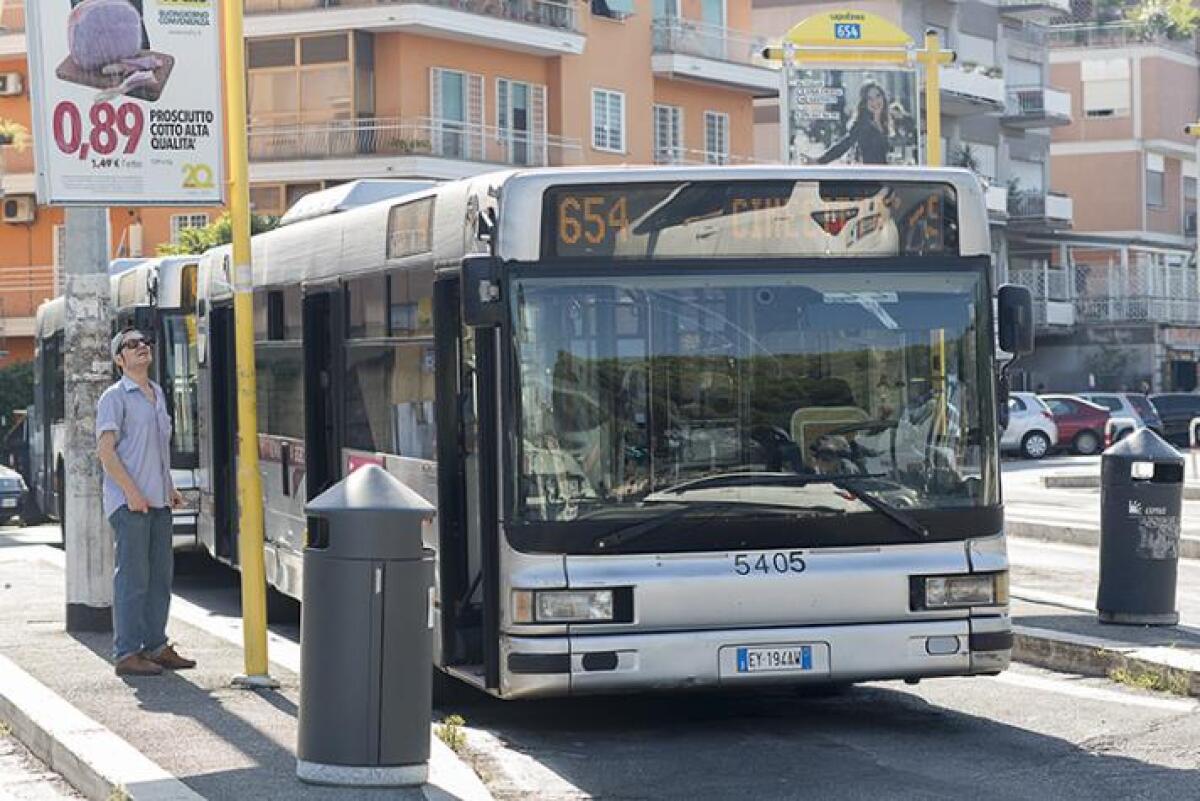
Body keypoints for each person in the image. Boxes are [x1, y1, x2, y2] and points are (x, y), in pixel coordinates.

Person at [96, 329, 194, 677]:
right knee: (133, 578)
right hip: (129, 503)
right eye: (131, 345)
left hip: (158, 501)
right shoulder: (114, 397)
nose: (142, 347)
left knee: (159, 577)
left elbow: (158, 451)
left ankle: (156, 645)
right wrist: (132, 493)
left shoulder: (158, 394)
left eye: (144, 342)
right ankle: (127, 652)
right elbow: (106, 453)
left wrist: (168, 487)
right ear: (119, 359)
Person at [816, 81, 891, 165]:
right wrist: (819, 161)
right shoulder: (862, 124)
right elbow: (844, 144)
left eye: (878, 96)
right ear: (865, 103)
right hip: (870, 174)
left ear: (883, 97)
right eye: (870, 98)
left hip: (886, 174)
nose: (875, 101)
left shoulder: (885, 122)